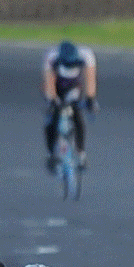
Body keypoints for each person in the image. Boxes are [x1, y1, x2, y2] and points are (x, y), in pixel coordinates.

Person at [40, 39, 95, 170]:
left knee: (77, 115)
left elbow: (90, 79)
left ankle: (81, 154)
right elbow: (49, 83)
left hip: (74, 85)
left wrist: (90, 99)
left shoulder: (86, 55)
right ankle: (51, 153)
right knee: (53, 117)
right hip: (56, 84)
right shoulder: (51, 57)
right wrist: (53, 101)